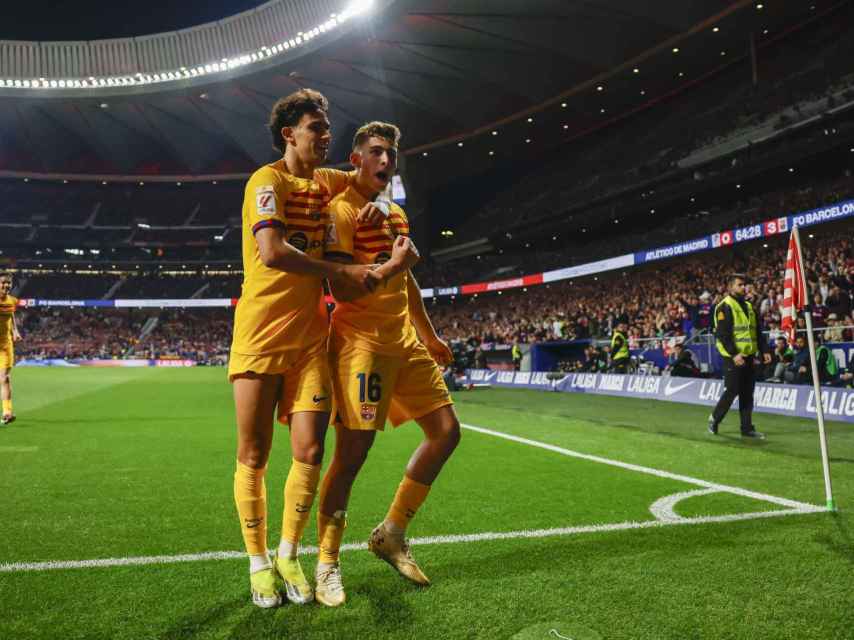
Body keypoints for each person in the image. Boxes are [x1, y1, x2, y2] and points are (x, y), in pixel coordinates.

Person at [228, 89, 407, 609]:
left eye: (328, 128)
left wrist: (379, 214)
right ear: (289, 134)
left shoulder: (328, 181)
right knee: (255, 454)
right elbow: (272, 250)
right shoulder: (268, 181)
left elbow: (369, 180)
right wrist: (340, 270)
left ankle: (289, 553)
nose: (325, 135)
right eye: (315, 127)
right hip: (260, 335)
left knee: (309, 450)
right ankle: (258, 563)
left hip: (311, 340)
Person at [316, 121, 460, 606]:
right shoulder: (341, 211)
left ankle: (391, 532)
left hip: (405, 342)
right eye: (376, 152)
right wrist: (395, 266)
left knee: (445, 433)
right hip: (362, 345)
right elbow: (339, 287)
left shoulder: (395, 213)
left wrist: (430, 334)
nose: (385, 161)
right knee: (351, 458)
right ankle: (327, 562)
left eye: (391, 155)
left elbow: (408, 283)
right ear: (355, 159)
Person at [708, 274, 771, 438]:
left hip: (749, 356)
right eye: (740, 285)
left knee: (747, 393)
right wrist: (734, 354)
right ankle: (715, 418)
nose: (744, 287)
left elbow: (758, 331)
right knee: (732, 390)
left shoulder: (750, 307)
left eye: (745, 285)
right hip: (732, 357)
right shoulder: (724, 306)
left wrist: (764, 350)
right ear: (730, 287)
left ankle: (747, 428)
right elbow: (723, 334)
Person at [0, 272, 21, 425]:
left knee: (4, 378)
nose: (6, 285)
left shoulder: (12, 301)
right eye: (3, 283)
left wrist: (15, 331)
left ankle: (7, 412)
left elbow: (11, 314)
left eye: (8, 283)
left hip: (5, 346)